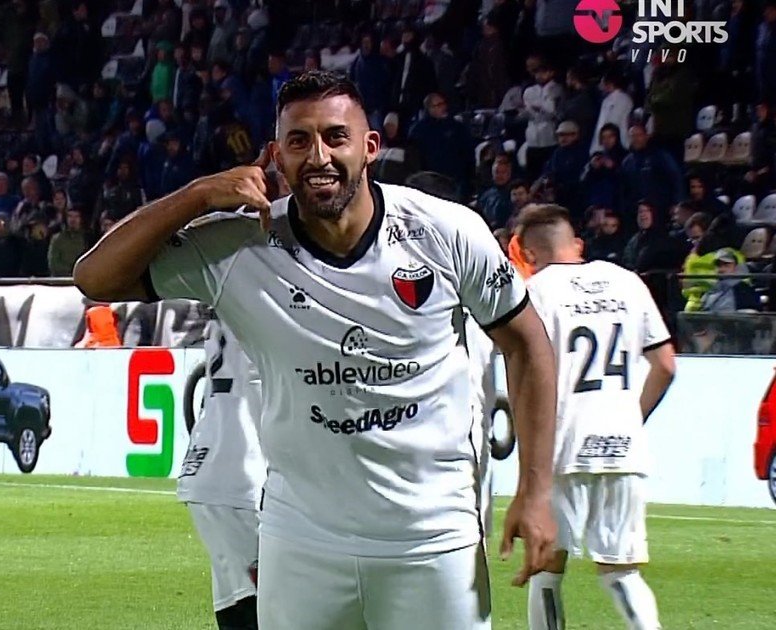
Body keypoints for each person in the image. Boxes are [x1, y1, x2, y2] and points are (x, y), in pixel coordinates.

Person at [73, 70, 559, 629]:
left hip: (432, 541)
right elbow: (96, 277)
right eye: (299, 141)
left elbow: (528, 346)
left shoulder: (447, 232)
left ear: (369, 147)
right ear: (276, 156)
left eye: (335, 137)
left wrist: (536, 490)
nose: (319, 156)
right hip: (300, 542)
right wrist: (199, 194)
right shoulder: (239, 245)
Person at [514, 204, 677, 630]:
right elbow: (665, 364)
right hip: (623, 446)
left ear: (527, 254)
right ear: (577, 244)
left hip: (562, 447)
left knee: (546, 570)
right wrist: (631, 417)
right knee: (621, 572)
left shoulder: (535, 291)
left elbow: (525, 371)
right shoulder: (628, 282)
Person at [177, 314, 265, 630]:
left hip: (208, 473)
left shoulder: (233, 307)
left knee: (236, 608)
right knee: (273, 608)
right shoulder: (270, 315)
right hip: (246, 482)